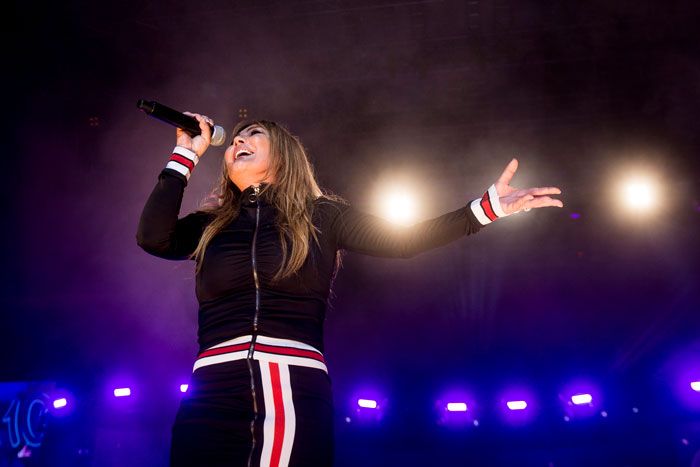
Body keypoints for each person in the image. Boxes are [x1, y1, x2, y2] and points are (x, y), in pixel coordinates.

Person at [137, 113, 563, 467]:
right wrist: (185, 154)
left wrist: (486, 209)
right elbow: (152, 237)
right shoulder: (211, 225)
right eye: (236, 139)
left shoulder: (321, 215)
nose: (239, 142)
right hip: (210, 386)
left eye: (255, 135)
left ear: (283, 156)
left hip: (285, 381)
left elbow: (404, 240)